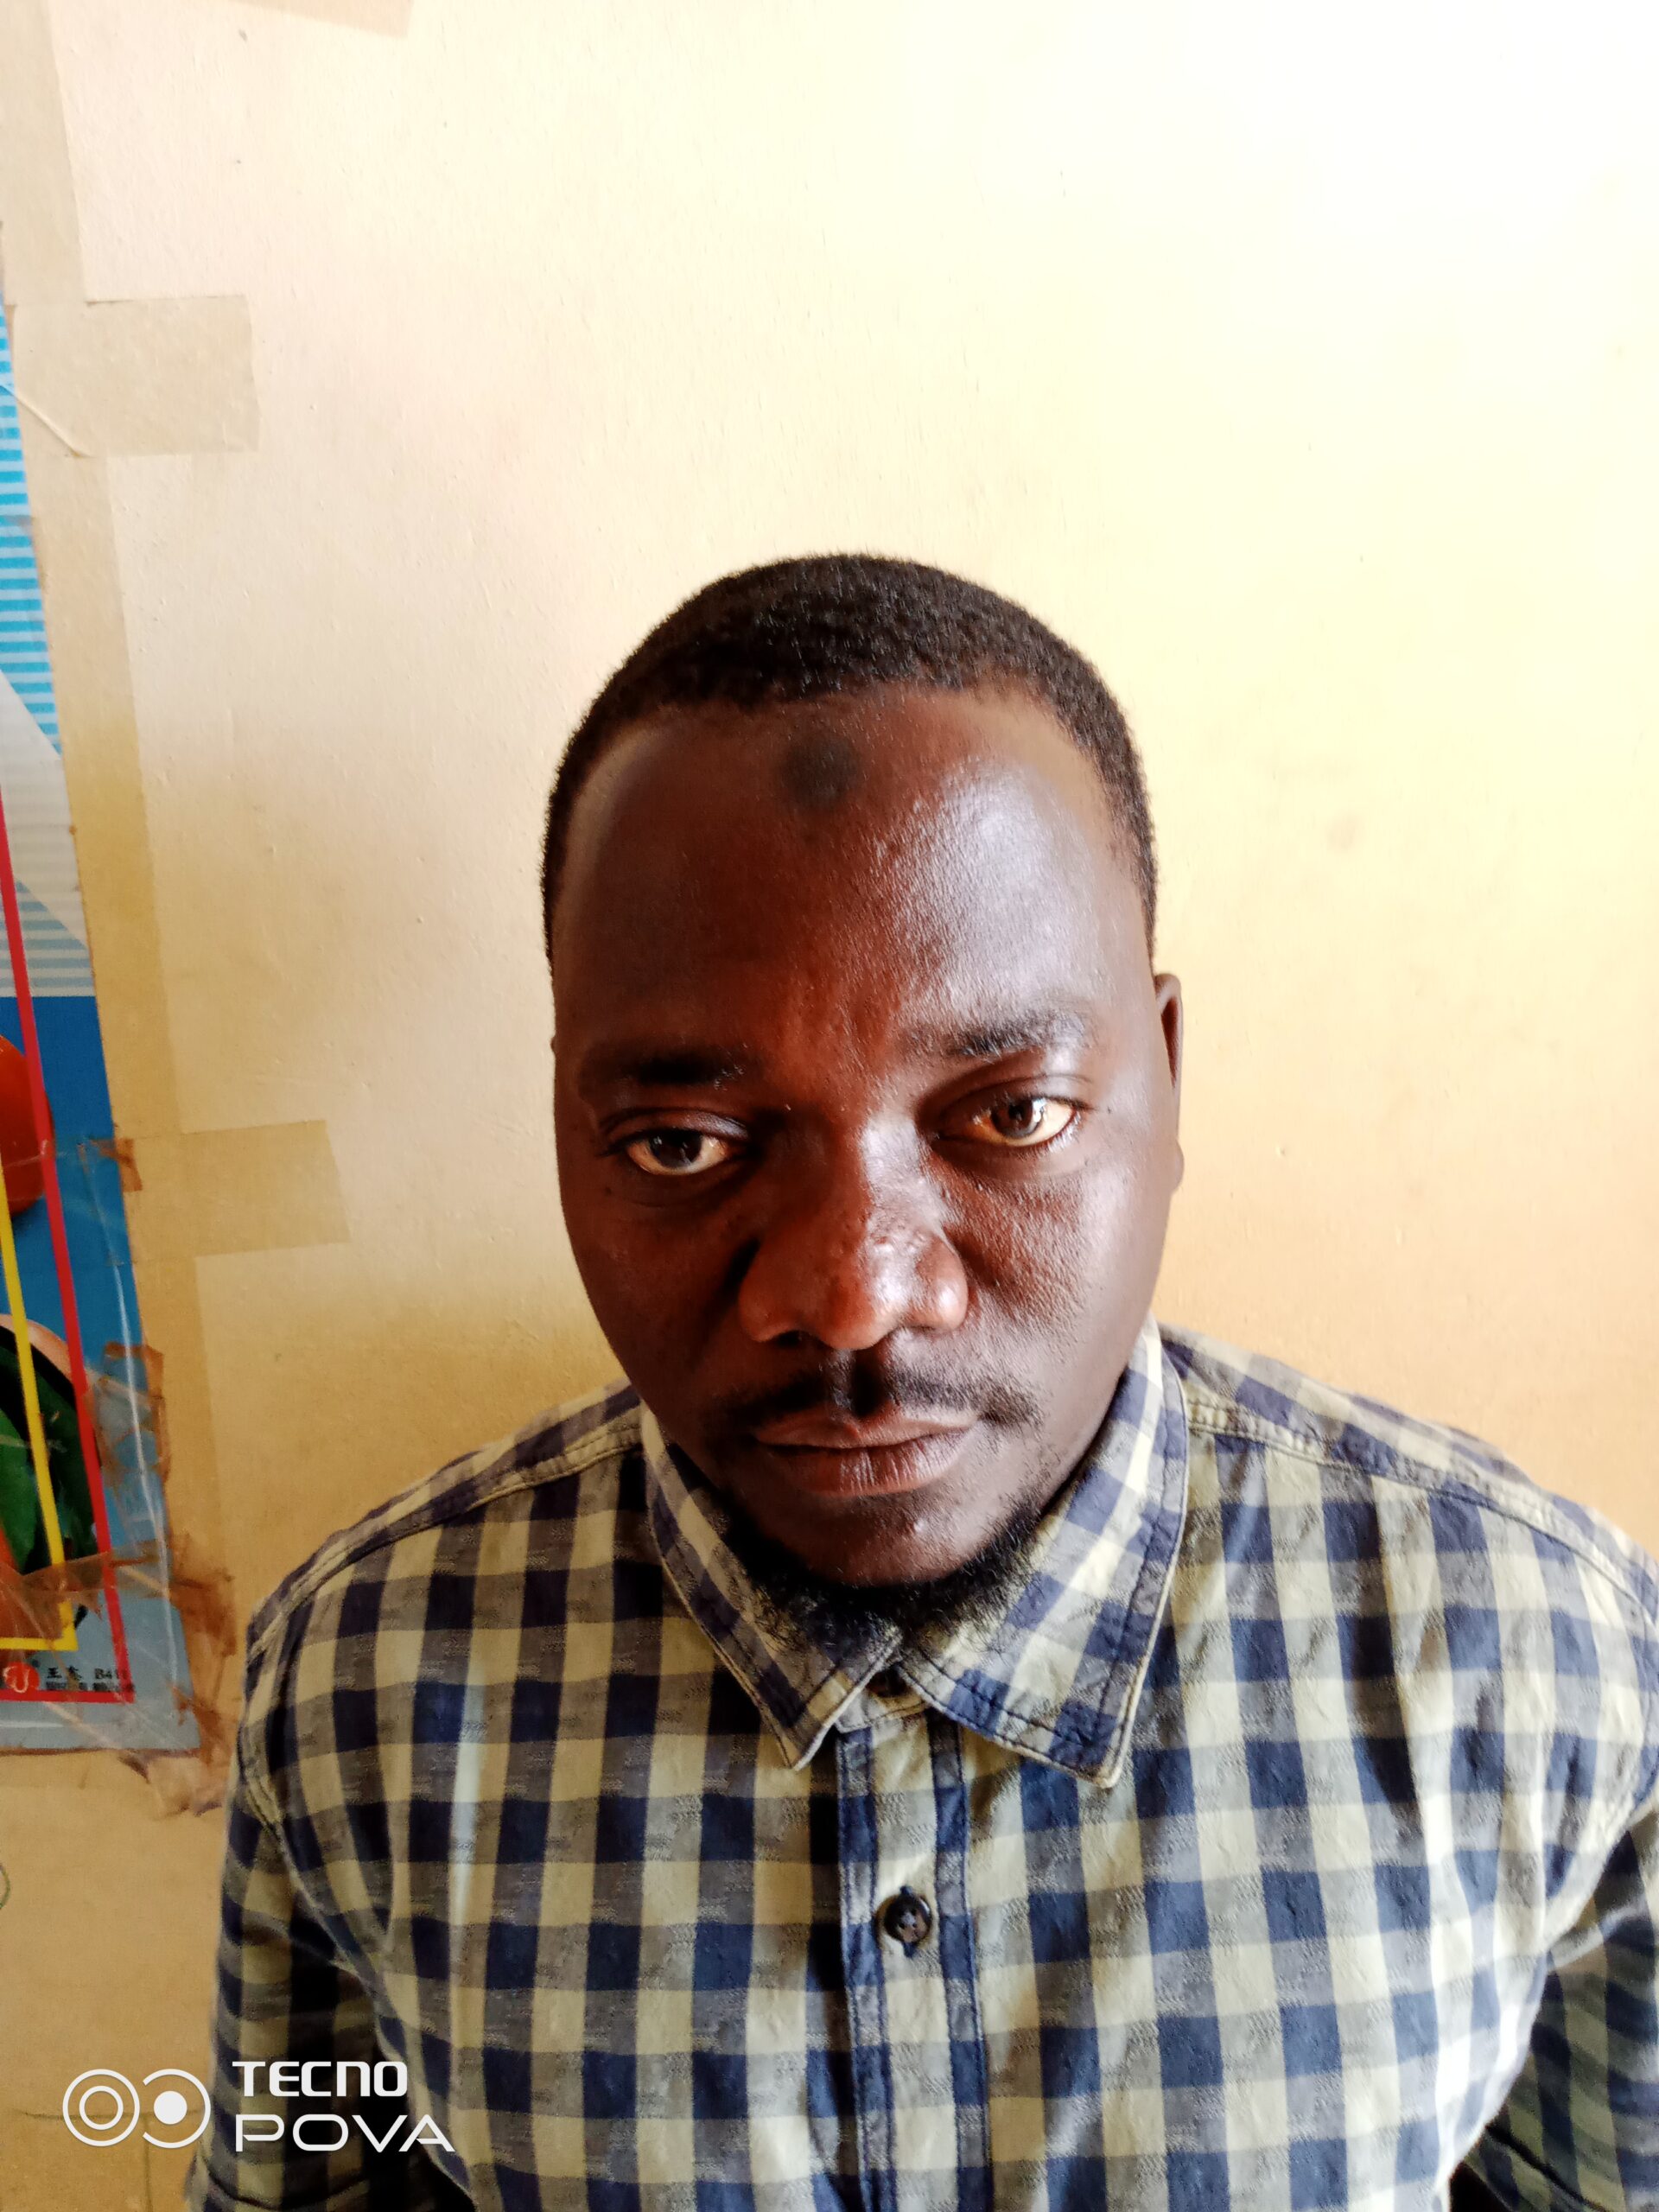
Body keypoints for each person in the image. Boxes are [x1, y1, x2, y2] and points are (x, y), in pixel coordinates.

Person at [188, 556, 1659, 2212]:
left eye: (1010, 1116)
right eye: (683, 1144)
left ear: (1167, 1082)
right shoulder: (360, 1697)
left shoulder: (1549, 1668)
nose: (854, 1293)